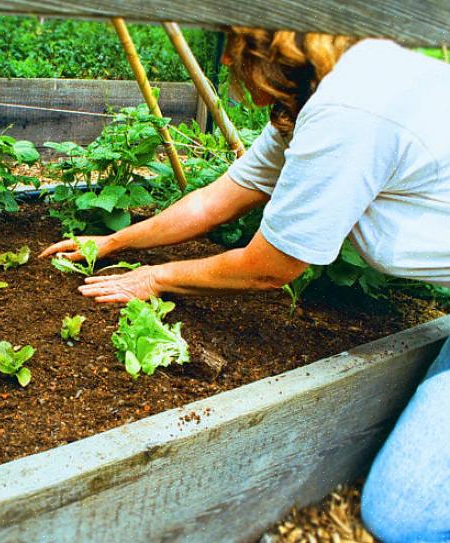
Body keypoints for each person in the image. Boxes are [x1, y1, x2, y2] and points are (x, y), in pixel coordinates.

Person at [39, 28, 450, 542]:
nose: (235, 79)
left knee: (403, 517)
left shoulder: (350, 110)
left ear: (261, 54)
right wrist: (114, 242)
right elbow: (222, 196)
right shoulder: (325, 93)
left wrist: (157, 277)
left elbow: (270, 267)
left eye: (234, 59)